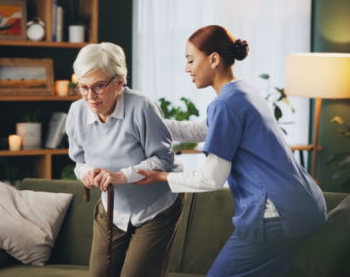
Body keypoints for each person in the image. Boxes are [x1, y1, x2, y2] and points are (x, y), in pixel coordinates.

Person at [130, 25, 326, 277]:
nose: (186, 68)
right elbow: (198, 130)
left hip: (277, 213)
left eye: (190, 60)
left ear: (213, 59)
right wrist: (146, 123)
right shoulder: (243, 92)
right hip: (306, 206)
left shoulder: (224, 104)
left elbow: (211, 178)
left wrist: (161, 177)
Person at [65, 42, 184, 277]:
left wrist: (122, 176)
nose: (90, 96)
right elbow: (78, 161)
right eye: (83, 87)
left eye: (98, 86)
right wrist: (86, 173)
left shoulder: (142, 107)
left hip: (155, 209)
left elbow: (164, 158)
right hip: (112, 209)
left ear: (119, 83)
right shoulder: (76, 112)